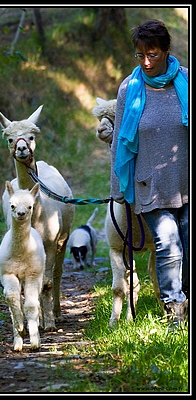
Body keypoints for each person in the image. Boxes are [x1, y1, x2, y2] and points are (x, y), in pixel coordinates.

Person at [107, 19, 188, 327]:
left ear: (166, 50)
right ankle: (174, 313)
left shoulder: (186, 82)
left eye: (152, 54)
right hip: (149, 185)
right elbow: (119, 144)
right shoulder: (129, 89)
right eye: (140, 54)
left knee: (188, 246)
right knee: (168, 244)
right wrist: (117, 191)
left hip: (186, 181)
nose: (145, 61)